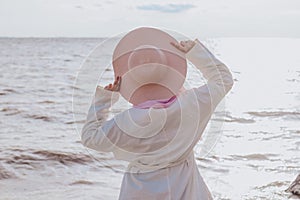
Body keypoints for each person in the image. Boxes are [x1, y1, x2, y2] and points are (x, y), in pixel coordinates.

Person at [81, 30, 234, 199]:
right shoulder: (191, 105)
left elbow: (90, 137)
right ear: (170, 70)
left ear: (132, 79)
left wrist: (104, 100)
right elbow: (223, 80)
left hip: (140, 191)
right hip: (186, 189)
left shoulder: (128, 122)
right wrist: (195, 52)